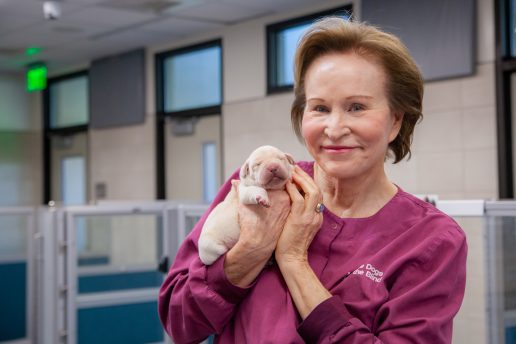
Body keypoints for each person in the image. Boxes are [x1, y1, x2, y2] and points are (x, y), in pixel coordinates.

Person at [158, 17, 467, 343]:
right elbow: (179, 322)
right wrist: (250, 252)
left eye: (357, 107)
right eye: (319, 108)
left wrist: (293, 261)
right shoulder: (259, 184)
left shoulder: (430, 240)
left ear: (395, 121)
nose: (334, 128)